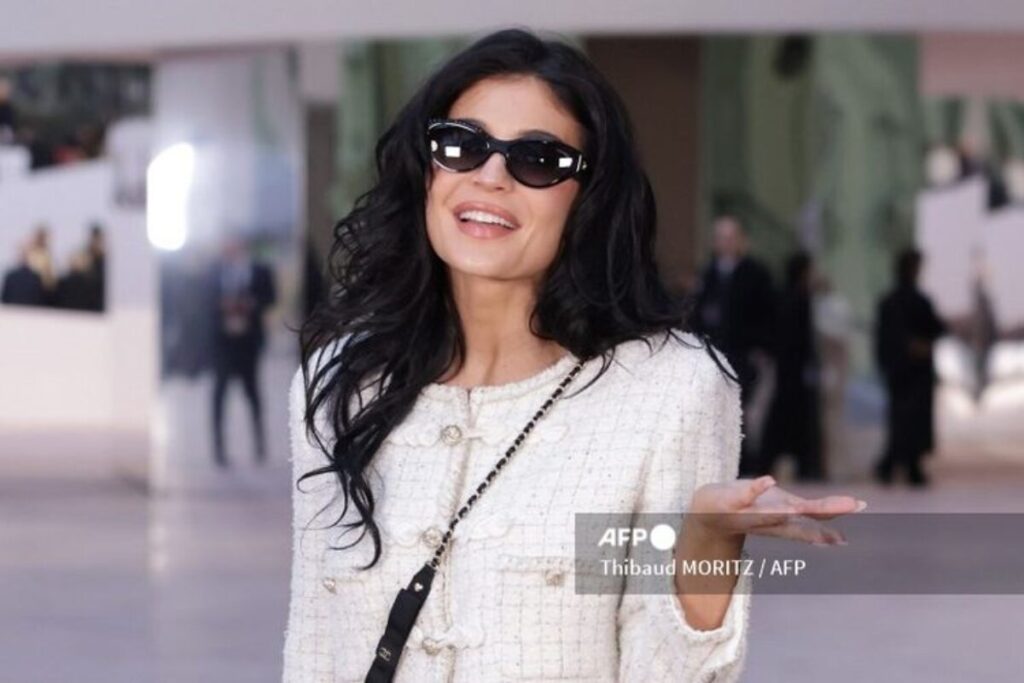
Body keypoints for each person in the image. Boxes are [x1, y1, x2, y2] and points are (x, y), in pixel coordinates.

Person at [285, 29, 865, 683]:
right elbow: (312, 645)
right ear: (427, 169)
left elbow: (665, 672)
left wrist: (705, 539)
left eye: (538, 160)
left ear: (589, 197)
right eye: (461, 145)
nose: (490, 176)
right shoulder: (344, 381)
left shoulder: (667, 390)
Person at [692, 214, 776, 475]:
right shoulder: (708, 274)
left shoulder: (756, 274)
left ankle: (745, 463)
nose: (726, 243)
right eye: (721, 238)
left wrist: (761, 348)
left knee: (740, 409)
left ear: (741, 240)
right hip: (714, 353)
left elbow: (768, 315)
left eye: (731, 237)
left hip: (744, 354)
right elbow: (698, 315)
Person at [874, 248, 947, 487]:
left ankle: (898, 465)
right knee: (906, 419)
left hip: (906, 371)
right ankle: (896, 465)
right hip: (908, 371)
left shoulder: (894, 301)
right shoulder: (908, 301)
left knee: (904, 419)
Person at [209, 237, 276, 468]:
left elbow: (270, 297)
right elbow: (202, 300)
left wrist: (251, 304)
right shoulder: (214, 272)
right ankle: (218, 448)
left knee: (253, 393)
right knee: (219, 395)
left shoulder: (259, 270)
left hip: (249, 343)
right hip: (223, 343)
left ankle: (259, 445)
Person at [758, 252, 824, 481]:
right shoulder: (799, 298)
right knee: (794, 417)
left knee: (784, 415)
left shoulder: (785, 296)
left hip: (786, 367)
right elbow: (802, 337)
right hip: (794, 368)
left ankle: (771, 460)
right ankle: (802, 463)